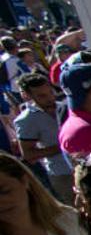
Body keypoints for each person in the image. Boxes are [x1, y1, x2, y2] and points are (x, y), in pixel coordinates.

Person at [13, 73, 73, 203]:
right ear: (28, 96)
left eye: (50, 92)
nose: (50, 98)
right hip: (62, 174)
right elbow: (28, 154)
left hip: (83, 165)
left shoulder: (66, 107)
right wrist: (63, 147)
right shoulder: (26, 120)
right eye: (42, 96)